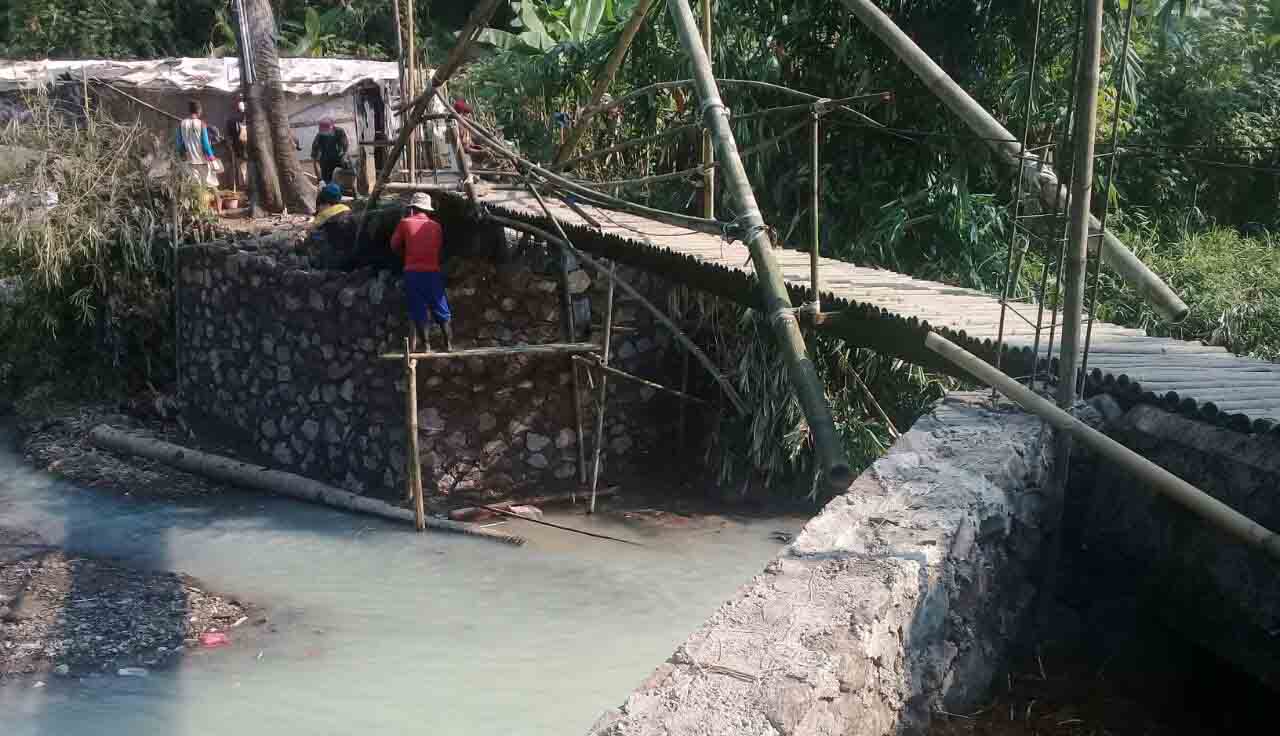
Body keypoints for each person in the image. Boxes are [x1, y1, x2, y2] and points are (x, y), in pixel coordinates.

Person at [390, 193, 452, 352]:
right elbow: (438, 248)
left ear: (412, 209)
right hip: (433, 272)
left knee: (419, 310)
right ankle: (448, 344)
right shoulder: (436, 226)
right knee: (441, 308)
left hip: (413, 273)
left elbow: (394, 245)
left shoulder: (405, 223)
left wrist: (405, 254)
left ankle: (427, 346)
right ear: (428, 210)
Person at [176, 100, 220, 209]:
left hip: (189, 162)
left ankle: (201, 210)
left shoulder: (181, 124)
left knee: (196, 188)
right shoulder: (201, 124)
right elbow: (205, 145)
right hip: (202, 161)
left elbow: (179, 144)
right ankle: (219, 210)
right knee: (212, 185)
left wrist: (183, 155)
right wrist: (212, 158)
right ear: (199, 110)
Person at [308, 182, 356, 269]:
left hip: (335, 260)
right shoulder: (346, 208)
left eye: (320, 205)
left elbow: (310, 229)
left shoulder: (324, 215)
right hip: (353, 255)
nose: (319, 209)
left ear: (326, 204)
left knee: (313, 238)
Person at [311, 117, 349, 184]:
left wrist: (344, 158)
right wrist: (320, 179)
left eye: (327, 130)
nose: (325, 133)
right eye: (323, 131)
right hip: (325, 163)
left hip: (339, 159)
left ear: (332, 127)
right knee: (327, 184)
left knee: (345, 177)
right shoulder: (319, 137)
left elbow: (345, 148)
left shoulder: (339, 132)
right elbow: (315, 160)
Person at [226, 94, 249, 190]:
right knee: (245, 167)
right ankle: (245, 187)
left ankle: (244, 186)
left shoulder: (232, 120)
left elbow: (229, 136)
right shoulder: (249, 117)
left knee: (242, 168)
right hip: (245, 148)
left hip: (240, 148)